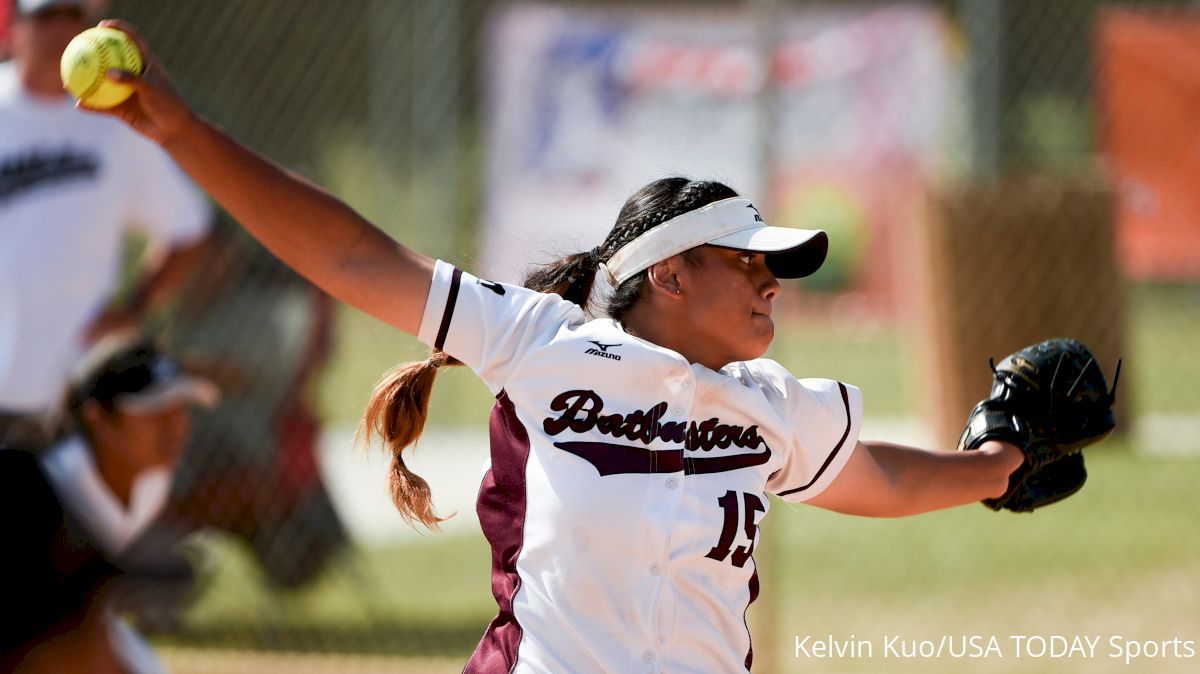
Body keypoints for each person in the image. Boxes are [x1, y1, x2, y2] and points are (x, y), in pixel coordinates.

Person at [89, 21, 1030, 673]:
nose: (768, 282)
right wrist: (181, 129)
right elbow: (350, 253)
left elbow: (884, 481)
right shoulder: (544, 344)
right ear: (667, 276)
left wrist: (998, 464)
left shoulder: (771, 404)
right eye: (745, 263)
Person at [0, 0, 212, 450]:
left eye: (72, 17)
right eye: (47, 16)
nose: (61, 30)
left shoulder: (115, 126)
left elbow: (188, 230)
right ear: (15, 28)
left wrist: (134, 310)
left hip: (77, 392)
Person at [0, 335, 217, 673]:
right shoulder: (51, 487)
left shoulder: (151, 484)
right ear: (98, 418)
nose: (174, 427)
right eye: (154, 410)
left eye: (180, 409)